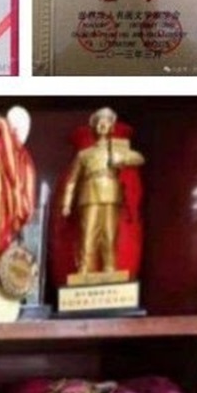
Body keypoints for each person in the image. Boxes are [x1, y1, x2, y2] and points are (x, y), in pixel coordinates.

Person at [62, 107, 144, 275]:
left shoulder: (117, 149)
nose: (102, 125)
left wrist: (122, 158)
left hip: (111, 194)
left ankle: (110, 267)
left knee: (110, 234)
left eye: (106, 121)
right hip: (89, 195)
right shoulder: (84, 154)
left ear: (111, 127)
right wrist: (66, 204)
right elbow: (72, 181)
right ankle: (84, 268)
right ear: (94, 127)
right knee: (88, 233)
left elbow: (139, 158)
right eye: (99, 122)